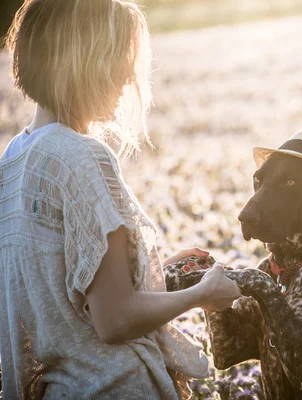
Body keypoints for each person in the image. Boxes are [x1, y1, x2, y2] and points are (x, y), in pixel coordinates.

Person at [0, 0, 241, 398]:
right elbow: (115, 320)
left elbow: (75, 304)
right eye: (118, 61)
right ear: (84, 61)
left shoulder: (12, 162)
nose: (128, 79)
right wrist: (201, 295)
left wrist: (155, 274)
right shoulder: (82, 157)